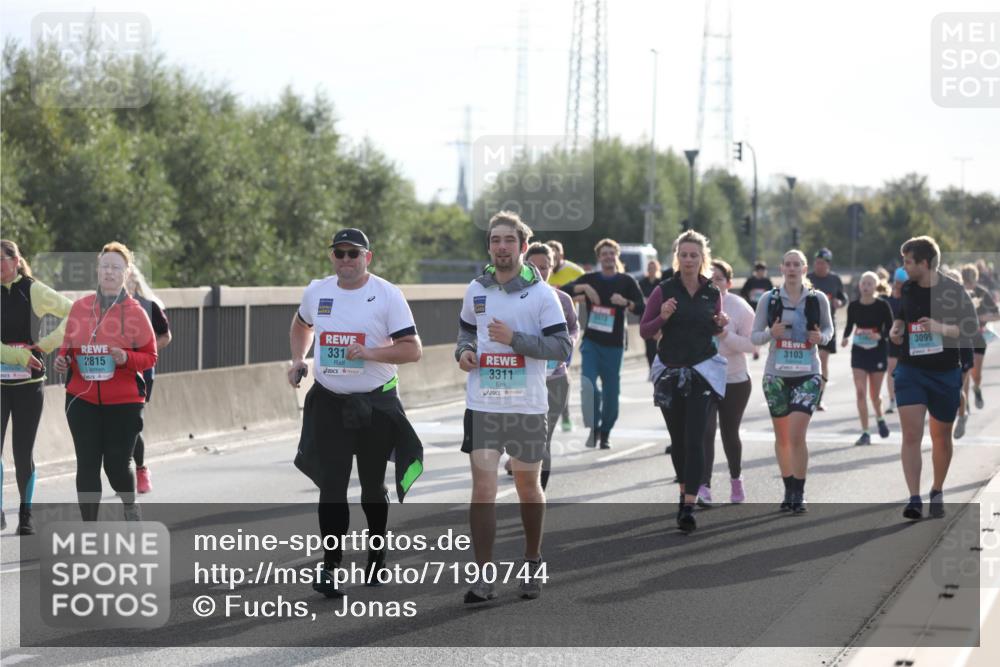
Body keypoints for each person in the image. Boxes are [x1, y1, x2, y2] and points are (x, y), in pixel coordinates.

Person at [289, 228, 424, 598]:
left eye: (354, 253)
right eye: (340, 253)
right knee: (331, 487)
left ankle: (376, 557)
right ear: (331, 257)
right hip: (330, 402)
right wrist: (299, 359)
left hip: (374, 404)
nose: (346, 259)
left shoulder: (387, 294)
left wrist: (370, 354)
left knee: (371, 488)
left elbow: (412, 349)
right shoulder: (317, 291)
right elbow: (302, 324)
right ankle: (330, 567)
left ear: (368, 257)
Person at [456, 211, 572, 603]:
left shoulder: (541, 295)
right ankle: (484, 576)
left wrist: (515, 339)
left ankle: (532, 559)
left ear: (522, 246)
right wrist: (464, 351)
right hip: (483, 404)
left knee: (527, 487)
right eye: (495, 240)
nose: (501, 247)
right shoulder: (476, 289)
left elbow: (561, 347)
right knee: (483, 489)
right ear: (489, 247)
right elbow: (466, 330)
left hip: (526, 406)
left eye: (509, 240)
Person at [54, 242, 157, 522]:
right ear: (97, 270)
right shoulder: (80, 308)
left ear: (127, 273)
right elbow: (68, 345)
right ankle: (90, 529)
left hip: (124, 402)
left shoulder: (136, 312)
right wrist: (63, 360)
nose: (109, 272)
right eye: (105, 266)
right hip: (81, 399)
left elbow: (150, 356)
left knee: (116, 467)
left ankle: (129, 505)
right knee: (87, 465)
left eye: (116, 268)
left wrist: (125, 357)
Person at [640, 231, 728, 532]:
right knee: (678, 441)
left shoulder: (712, 292)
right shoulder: (664, 290)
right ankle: (683, 495)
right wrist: (663, 316)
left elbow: (714, 328)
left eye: (694, 255)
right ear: (677, 257)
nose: (689, 260)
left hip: (702, 371)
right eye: (684, 255)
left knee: (695, 439)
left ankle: (689, 504)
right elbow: (644, 330)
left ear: (703, 258)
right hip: (671, 372)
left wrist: (720, 324)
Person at [889, 236, 978, 520]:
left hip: (944, 372)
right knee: (911, 434)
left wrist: (940, 328)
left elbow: (971, 329)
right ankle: (914, 498)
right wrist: (896, 328)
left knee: (941, 437)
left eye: (908, 262)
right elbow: (901, 316)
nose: (904, 267)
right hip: (911, 370)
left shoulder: (954, 291)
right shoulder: (908, 288)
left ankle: (937, 490)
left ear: (925, 263)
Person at [751, 249, 834, 513]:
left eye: (796, 264)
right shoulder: (769, 299)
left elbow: (829, 330)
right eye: (787, 264)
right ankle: (788, 488)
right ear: (781, 268)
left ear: (804, 269)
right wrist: (771, 333)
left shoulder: (817, 299)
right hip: (776, 376)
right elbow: (754, 336)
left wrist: (820, 338)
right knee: (783, 438)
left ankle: (799, 491)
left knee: (797, 435)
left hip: (808, 374)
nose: (791, 268)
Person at [1, 240, 73, 534]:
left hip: (29, 386)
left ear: (16, 260)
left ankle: (25, 515)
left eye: (2, 259)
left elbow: (75, 313)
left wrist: (45, 345)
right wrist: (18, 356)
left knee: (22, 453)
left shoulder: (33, 290)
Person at [504, 243, 580, 489]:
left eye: (545, 267)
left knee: (542, 440)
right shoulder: (509, 298)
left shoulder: (562, 299)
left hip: (554, 380)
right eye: (533, 266)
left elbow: (573, 328)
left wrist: (568, 344)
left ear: (552, 268)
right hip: (520, 379)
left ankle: (537, 497)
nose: (539, 271)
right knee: (516, 441)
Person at [560, 239, 646, 449]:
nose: (608, 257)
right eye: (604, 254)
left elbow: (642, 307)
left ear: (617, 256)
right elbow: (563, 291)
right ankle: (594, 427)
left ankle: (605, 432)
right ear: (599, 257)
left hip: (614, 345)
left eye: (611, 253)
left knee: (611, 393)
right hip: (592, 342)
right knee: (588, 386)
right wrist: (584, 288)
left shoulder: (626, 281)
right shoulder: (591, 279)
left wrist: (625, 302)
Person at [697, 259, 754, 505]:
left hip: (734, 379)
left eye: (719, 279)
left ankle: (736, 480)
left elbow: (752, 345)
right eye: (709, 279)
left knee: (729, 434)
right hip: (704, 378)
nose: (714, 283)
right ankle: (704, 487)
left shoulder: (740, 308)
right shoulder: (697, 304)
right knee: (706, 432)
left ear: (729, 283)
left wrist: (724, 335)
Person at [126, 267, 172, 494]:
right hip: (111, 372)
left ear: (134, 282)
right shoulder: (101, 306)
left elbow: (166, 336)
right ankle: (122, 471)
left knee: (132, 423)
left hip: (141, 371)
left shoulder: (149, 306)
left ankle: (141, 469)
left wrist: (147, 349)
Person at [841, 271, 895, 446]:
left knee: (875, 395)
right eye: (863, 283)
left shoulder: (882, 305)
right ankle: (865, 432)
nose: (866, 286)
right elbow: (849, 325)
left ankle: (880, 418)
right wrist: (845, 337)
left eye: (869, 283)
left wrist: (880, 335)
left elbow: (891, 327)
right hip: (859, 351)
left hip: (877, 351)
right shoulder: (854, 306)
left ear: (876, 286)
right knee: (860, 392)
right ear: (859, 286)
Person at [545, 240, 584, 433]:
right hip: (543, 338)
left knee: (559, 374)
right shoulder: (535, 273)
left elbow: (588, 292)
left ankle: (565, 414)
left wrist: (572, 298)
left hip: (564, 334)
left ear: (561, 255)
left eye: (556, 252)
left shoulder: (574, 271)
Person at [807, 248, 847, 410]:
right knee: (809, 361)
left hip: (827, 325)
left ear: (828, 264)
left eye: (822, 263)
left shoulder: (834, 279)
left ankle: (819, 398)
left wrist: (840, 302)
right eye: (817, 263)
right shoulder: (808, 278)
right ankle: (806, 393)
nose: (819, 266)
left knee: (822, 359)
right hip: (808, 325)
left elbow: (843, 297)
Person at [961, 263, 998, 415]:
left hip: (978, 337)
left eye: (971, 282)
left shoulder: (982, 293)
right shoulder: (957, 293)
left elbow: (997, 314)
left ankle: (976, 388)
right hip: (962, 338)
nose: (969, 285)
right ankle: (965, 405)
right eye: (966, 281)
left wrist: (983, 317)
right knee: (964, 372)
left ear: (976, 279)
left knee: (976, 373)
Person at [740, 261, 774, 361]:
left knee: (761, 330)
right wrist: (749, 297)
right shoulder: (750, 281)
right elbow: (743, 292)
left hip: (764, 309)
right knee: (753, 330)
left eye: (763, 271)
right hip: (752, 308)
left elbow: (773, 294)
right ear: (756, 271)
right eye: (759, 271)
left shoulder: (767, 281)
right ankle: (755, 350)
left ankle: (757, 350)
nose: (761, 273)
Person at [884, 268, 907, 414]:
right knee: (892, 368)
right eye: (896, 283)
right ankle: (892, 399)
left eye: (901, 284)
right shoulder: (888, 301)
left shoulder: (910, 299)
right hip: (892, 339)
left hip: (909, 340)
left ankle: (906, 398)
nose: (897, 286)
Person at [638, 260, 663, 368]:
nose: (651, 270)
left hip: (658, 317)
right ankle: (651, 368)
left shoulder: (661, 283)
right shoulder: (642, 283)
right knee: (649, 347)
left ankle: (659, 367)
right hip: (646, 317)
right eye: (649, 268)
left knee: (658, 345)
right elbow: (639, 298)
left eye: (653, 268)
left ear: (657, 269)